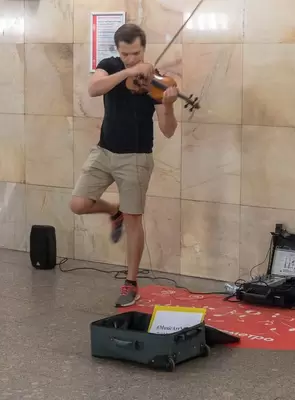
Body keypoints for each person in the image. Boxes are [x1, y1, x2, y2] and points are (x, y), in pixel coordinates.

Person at [69, 23, 179, 307]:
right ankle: (112, 210)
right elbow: (93, 89)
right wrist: (128, 72)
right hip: (104, 151)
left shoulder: (155, 81)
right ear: (117, 50)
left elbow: (168, 130)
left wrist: (167, 105)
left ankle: (131, 283)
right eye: (126, 53)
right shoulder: (109, 66)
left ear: (144, 49)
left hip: (137, 157)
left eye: (137, 53)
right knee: (78, 203)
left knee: (134, 220)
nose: (131, 58)